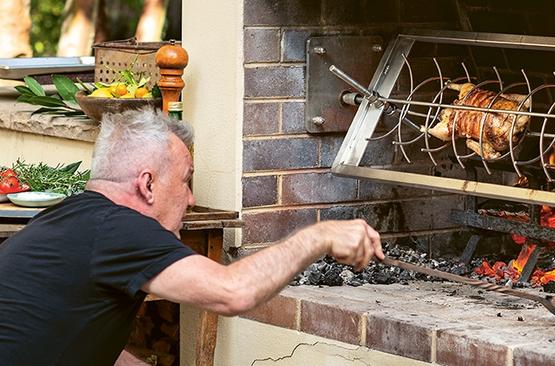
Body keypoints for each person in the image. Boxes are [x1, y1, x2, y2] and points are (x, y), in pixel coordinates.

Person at [0, 108, 384, 365]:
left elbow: (84, 342)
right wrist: (321, 236)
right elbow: (232, 292)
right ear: (147, 184)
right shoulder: (119, 229)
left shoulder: (70, 218)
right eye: (185, 181)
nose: (191, 198)